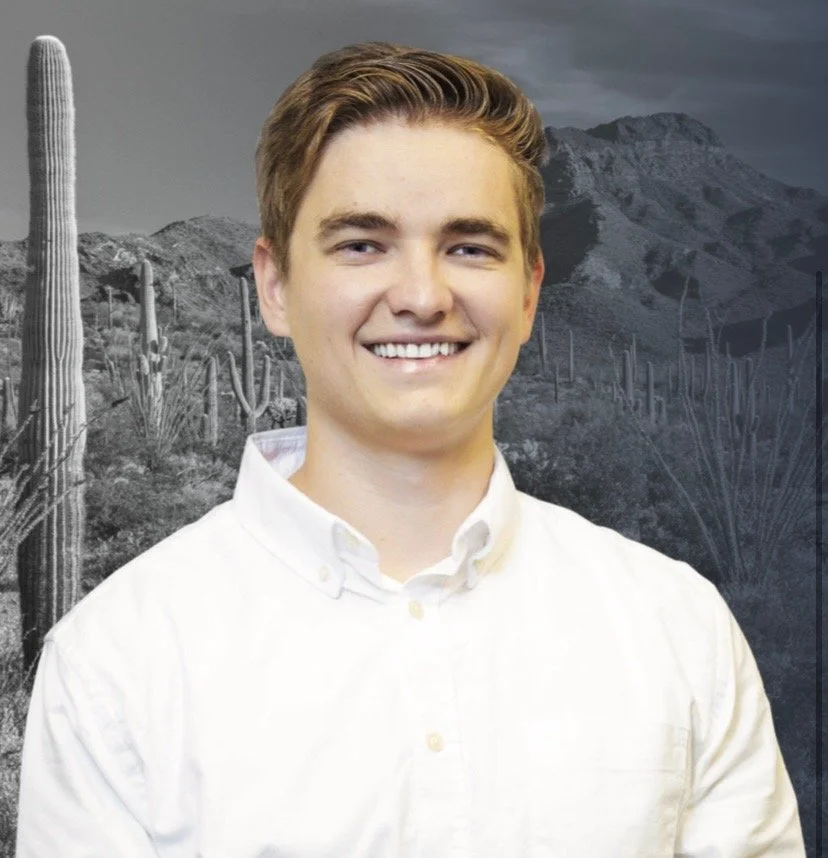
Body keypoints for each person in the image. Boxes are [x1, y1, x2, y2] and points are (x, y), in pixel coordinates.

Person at [15, 41, 805, 857]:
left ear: (530, 291)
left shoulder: (678, 631)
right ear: (275, 286)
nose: (423, 297)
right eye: (362, 244)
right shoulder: (116, 662)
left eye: (469, 246)